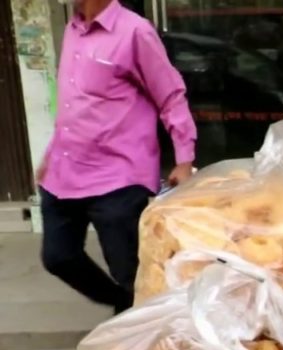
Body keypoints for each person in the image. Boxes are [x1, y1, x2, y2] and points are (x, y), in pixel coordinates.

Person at [37, 0, 196, 314]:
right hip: (64, 172)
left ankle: (145, 335)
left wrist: (184, 159)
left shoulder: (135, 31)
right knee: (58, 257)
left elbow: (171, 95)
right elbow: (74, 102)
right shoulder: (72, 29)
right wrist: (52, 152)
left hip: (117, 177)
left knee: (130, 273)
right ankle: (122, 304)